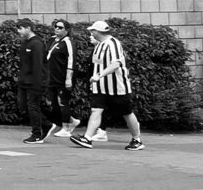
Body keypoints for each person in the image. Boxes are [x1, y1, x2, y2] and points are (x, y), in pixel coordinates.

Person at [70, 21, 145, 150]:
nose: (91, 33)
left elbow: (116, 64)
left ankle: (136, 139)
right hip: (100, 87)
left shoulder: (113, 44)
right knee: (96, 110)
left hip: (117, 87)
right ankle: (87, 138)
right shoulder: (99, 45)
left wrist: (99, 75)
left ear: (98, 32)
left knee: (127, 112)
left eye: (92, 31)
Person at [16, 18, 56, 144]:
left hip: (34, 82)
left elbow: (38, 65)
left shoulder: (36, 43)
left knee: (33, 107)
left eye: (20, 28)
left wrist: (38, 83)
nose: (19, 31)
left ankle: (37, 134)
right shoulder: (25, 43)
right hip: (24, 81)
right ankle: (45, 124)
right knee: (23, 106)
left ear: (28, 28)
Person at [47, 19, 81, 137]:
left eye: (60, 27)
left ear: (66, 30)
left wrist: (68, 79)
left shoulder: (68, 43)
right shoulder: (52, 40)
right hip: (52, 77)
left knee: (63, 102)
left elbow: (71, 61)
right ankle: (72, 121)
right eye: (56, 26)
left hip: (63, 78)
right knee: (52, 103)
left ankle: (66, 127)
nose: (57, 29)